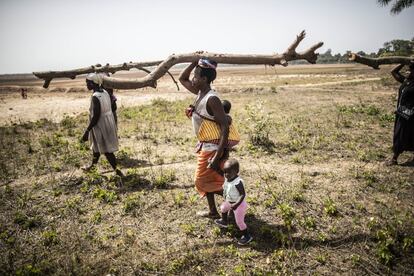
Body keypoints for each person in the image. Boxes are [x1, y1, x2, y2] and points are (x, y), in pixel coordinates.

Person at [179, 58, 229, 218]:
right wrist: (194, 62)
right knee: (210, 179)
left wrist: (217, 155)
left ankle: (236, 199)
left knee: (201, 180)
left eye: (196, 76)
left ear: (204, 79)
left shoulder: (212, 99)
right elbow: (182, 78)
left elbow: (225, 127)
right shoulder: (200, 93)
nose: (193, 78)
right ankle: (213, 211)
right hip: (205, 146)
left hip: (213, 148)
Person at [81, 73, 123, 177]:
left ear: (93, 83)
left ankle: (118, 172)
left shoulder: (95, 96)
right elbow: (113, 108)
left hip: (100, 124)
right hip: (108, 121)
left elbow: (96, 116)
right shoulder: (105, 92)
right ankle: (93, 167)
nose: (86, 85)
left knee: (107, 150)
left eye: (88, 83)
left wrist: (87, 131)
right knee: (96, 146)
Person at [215, 159, 253, 245]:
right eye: (225, 172)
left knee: (239, 222)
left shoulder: (238, 182)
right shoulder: (227, 177)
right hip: (230, 201)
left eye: (229, 172)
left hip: (239, 204)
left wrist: (236, 204)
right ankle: (224, 221)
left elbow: (242, 195)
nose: (226, 175)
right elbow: (219, 171)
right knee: (223, 208)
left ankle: (247, 236)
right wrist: (213, 164)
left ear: (236, 171)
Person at [386, 62, 414, 165]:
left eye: (411, 71)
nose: (409, 72)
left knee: (402, 134)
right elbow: (393, 71)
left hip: (409, 114)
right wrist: (403, 62)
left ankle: (394, 158)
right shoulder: (406, 81)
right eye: (409, 70)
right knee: (399, 133)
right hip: (402, 113)